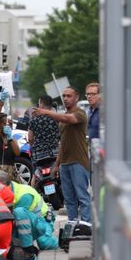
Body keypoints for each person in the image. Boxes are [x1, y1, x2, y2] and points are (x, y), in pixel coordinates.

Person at [33, 86, 92, 224]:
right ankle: (72, 225)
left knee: (82, 197)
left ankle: (86, 225)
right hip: (64, 164)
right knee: (69, 199)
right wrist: (57, 164)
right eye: (64, 96)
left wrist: (46, 112)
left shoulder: (80, 113)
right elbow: (63, 143)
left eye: (69, 96)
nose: (65, 98)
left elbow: (68, 119)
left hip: (78, 161)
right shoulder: (63, 117)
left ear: (76, 98)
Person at [0, 170, 57, 258]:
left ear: (3, 186)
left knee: (45, 243)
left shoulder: (23, 195)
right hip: (28, 222)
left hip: (43, 222)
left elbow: (15, 221)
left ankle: (28, 249)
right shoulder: (7, 190)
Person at [27, 95, 60, 167]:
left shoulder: (34, 119)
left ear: (41, 105)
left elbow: (30, 138)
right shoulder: (57, 118)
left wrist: (32, 147)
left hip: (39, 155)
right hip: (54, 153)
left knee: (36, 174)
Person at [0, 100, 20, 172]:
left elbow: (17, 153)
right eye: (5, 124)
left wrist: (10, 138)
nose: (7, 126)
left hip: (10, 173)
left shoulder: (12, 140)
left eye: (10, 124)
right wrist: (0, 105)